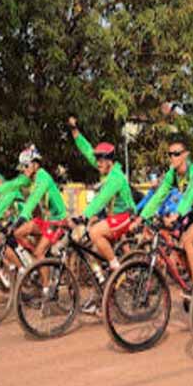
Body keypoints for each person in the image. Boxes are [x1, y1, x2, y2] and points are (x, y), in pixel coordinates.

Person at [135, 136, 193, 291]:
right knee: (180, 249)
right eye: (170, 154)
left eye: (176, 154)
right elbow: (158, 196)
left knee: (187, 240)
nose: (172, 157)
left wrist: (177, 214)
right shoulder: (172, 174)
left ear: (185, 155)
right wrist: (142, 217)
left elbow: (190, 194)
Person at [68, 117, 136, 277]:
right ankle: (104, 284)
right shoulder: (105, 168)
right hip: (111, 216)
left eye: (101, 159)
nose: (97, 163)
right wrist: (74, 131)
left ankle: (118, 269)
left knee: (95, 232)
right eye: (97, 159)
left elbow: (101, 199)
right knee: (92, 247)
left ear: (110, 161)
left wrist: (85, 215)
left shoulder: (116, 177)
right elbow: (87, 151)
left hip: (125, 216)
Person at [13, 145, 68, 262]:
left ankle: (42, 264)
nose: (23, 169)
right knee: (18, 233)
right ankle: (41, 261)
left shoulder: (43, 178)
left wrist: (23, 216)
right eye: (22, 166)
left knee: (39, 254)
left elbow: (34, 199)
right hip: (47, 221)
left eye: (26, 165)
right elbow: (13, 184)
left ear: (36, 165)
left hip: (59, 222)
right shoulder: (32, 179)